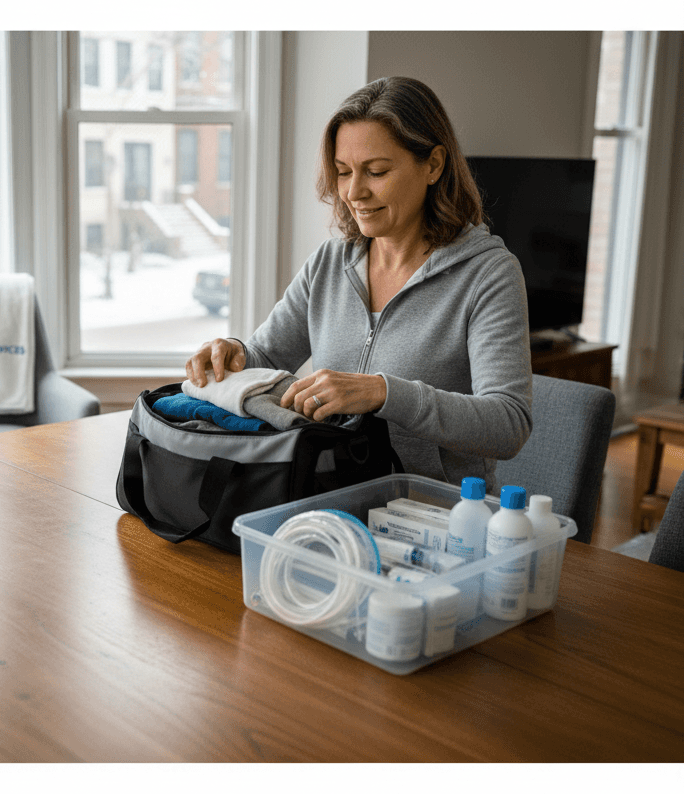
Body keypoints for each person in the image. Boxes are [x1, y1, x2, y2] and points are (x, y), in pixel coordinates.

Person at [184, 75, 532, 493]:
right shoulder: (330, 262)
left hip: (437, 518)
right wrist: (233, 353)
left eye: (377, 171)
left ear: (434, 165)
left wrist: (383, 394)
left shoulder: (488, 275)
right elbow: (266, 355)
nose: (353, 192)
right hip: (330, 501)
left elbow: (509, 423)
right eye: (343, 172)